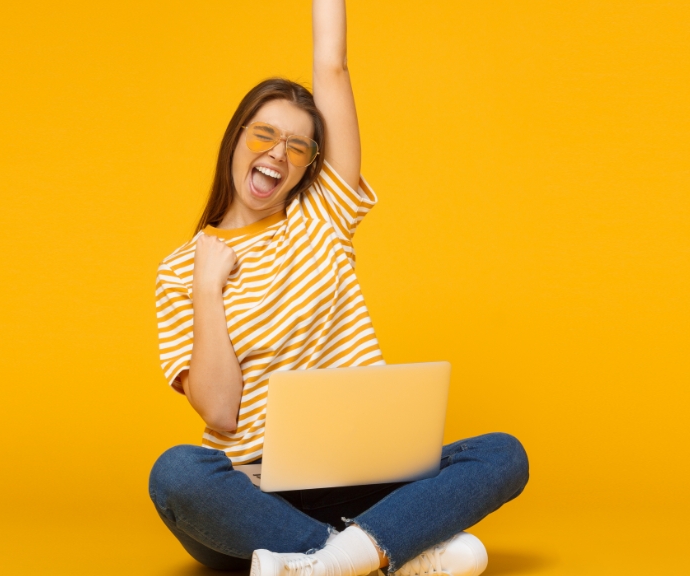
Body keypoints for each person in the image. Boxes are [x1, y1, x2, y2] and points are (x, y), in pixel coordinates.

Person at [149, 1, 529, 575]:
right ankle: (389, 553)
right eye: (265, 134)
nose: (277, 153)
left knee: (503, 454)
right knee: (176, 474)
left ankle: (324, 564)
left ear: (308, 167)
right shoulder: (181, 270)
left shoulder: (322, 216)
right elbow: (221, 413)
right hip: (253, 499)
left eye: (297, 147)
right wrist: (208, 286)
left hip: (367, 480)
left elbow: (332, 65)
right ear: (236, 139)